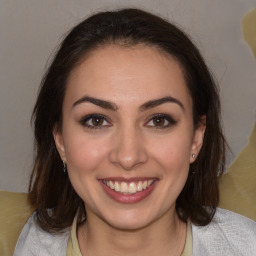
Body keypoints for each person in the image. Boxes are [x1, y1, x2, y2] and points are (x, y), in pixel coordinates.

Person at [12, 8, 256, 256]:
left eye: (159, 121)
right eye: (96, 120)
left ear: (196, 138)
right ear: (61, 140)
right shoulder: (32, 244)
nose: (128, 157)